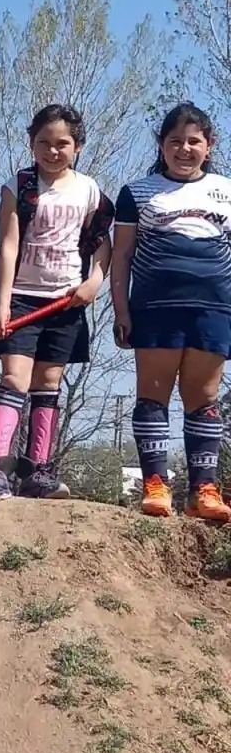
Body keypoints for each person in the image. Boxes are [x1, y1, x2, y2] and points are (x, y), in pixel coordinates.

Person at [0, 104, 113, 505]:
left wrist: (94, 283)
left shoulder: (89, 191)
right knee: (14, 379)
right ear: (31, 144)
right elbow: (8, 246)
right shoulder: (18, 187)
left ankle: (39, 471)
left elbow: (104, 245)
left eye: (62, 144)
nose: (52, 151)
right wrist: (2, 304)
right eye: (43, 143)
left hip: (67, 301)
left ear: (77, 147)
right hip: (22, 300)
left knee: (48, 384)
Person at [112, 102, 231, 523]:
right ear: (161, 145)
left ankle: (203, 488)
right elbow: (122, 255)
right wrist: (120, 309)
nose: (184, 149)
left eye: (194, 141)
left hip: (214, 308)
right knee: (154, 393)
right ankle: (156, 484)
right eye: (175, 141)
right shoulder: (138, 192)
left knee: (203, 397)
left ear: (209, 144)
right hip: (155, 307)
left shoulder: (226, 189)